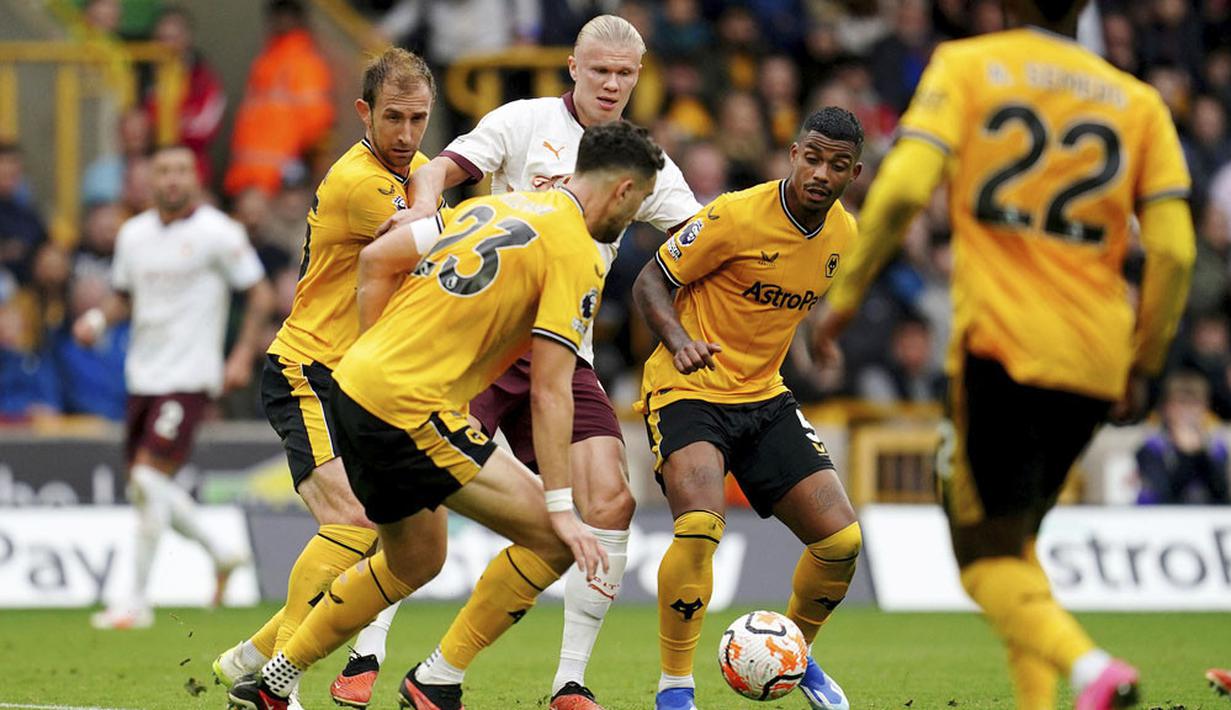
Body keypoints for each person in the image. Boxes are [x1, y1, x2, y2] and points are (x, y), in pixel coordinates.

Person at [814, 1, 1196, 708]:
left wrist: (840, 301)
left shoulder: (966, 67)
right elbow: (1173, 250)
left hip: (1001, 349)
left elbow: (899, 190)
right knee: (1016, 545)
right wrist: (1144, 364)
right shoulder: (1140, 103)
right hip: (1094, 358)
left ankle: (1091, 670)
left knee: (979, 557)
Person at [226, 120, 662, 710]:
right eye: (638, 205)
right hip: (409, 408)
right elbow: (552, 391)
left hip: (351, 388)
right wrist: (561, 507)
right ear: (624, 190)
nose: (632, 220)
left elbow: (378, 258)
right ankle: (435, 681)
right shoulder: (578, 250)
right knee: (555, 541)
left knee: (417, 559)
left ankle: (272, 682)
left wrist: (376, 354)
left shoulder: (492, 207)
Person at [380, 14, 701, 710]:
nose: (612, 84)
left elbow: (700, 237)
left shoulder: (647, 164)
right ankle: (367, 646)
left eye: (625, 73)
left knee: (610, 499)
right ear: (573, 68)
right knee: (416, 496)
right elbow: (439, 166)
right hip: (484, 341)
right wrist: (423, 206)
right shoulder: (522, 121)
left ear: (638, 76)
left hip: (563, 345)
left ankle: (566, 680)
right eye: (600, 71)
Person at [211, 47, 442, 710]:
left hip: (365, 381)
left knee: (387, 536)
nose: (404, 134)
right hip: (308, 370)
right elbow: (437, 250)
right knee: (353, 523)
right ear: (363, 112)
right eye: (392, 117)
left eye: (418, 119)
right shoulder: (359, 181)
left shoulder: (420, 174)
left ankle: (254, 659)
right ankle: (275, 680)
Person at [632, 107, 863, 710]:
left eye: (837, 165)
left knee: (840, 543)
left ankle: (797, 656)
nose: (820, 173)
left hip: (763, 396)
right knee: (701, 526)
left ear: (854, 173)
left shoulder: (844, 236)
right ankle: (675, 689)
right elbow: (649, 282)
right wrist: (679, 342)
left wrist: (823, 343)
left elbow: (793, 307)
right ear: (792, 154)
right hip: (690, 389)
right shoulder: (734, 215)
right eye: (811, 157)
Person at [76, 144, 274, 629]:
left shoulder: (217, 233)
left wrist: (243, 353)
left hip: (190, 376)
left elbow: (259, 291)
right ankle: (222, 551)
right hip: (142, 374)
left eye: (181, 171)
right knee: (147, 487)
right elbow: (124, 296)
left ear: (194, 178)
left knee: (147, 478)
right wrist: (99, 319)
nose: (172, 180)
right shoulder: (133, 235)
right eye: (163, 170)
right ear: (149, 179)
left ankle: (135, 603)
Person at [224, 0, 333, 198]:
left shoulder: (303, 62)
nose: (279, 22)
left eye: (285, 16)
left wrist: (292, 164)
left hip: (280, 179)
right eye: (277, 16)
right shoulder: (266, 59)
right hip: (248, 175)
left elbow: (316, 121)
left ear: (298, 20)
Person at [1136, 371, 1230, 505]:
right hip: (1160, 519)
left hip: (1205, 517)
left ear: (1205, 408)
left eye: (1194, 404)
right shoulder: (1151, 447)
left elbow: (1221, 495)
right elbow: (1164, 494)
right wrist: (1185, 453)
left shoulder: (1216, 447)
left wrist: (1200, 452)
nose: (1187, 412)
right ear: (1166, 408)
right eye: (1181, 403)